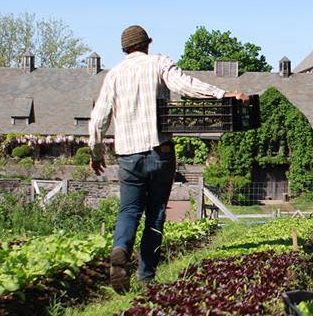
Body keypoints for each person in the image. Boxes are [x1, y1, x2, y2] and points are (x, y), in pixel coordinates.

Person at [88, 25, 248, 292]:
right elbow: (185, 86)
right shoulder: (158, 64)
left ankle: (120, 248)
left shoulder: (113, 75)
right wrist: (222, 94)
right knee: (156, 213)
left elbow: (98, 120)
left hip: (128, 157)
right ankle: (146, 277)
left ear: (125, 49)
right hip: (160, 152)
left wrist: (95, 153)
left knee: (128, 210)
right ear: (147, 44)